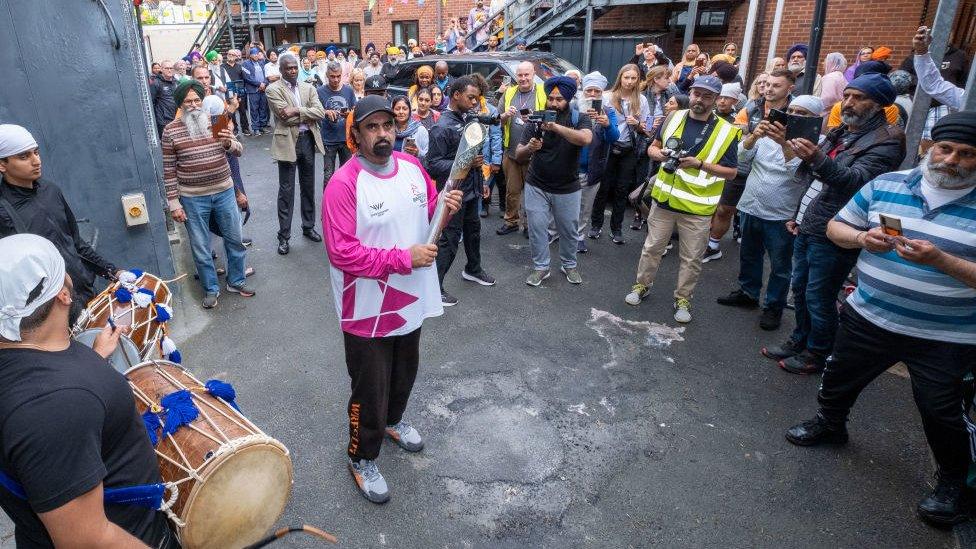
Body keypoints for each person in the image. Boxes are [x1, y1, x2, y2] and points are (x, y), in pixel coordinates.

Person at [784, 111, 976, 527]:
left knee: (940, 410)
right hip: (870, 316)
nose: (952, 160)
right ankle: (830, 425)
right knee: (838, 377)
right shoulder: (887, 185)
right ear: (929, 148)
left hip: (946, 335)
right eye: (945, 149)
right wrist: (861, 239)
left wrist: (941, 260)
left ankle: (951, 484)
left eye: (967, 154)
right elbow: (836, 228)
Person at [322, 95, 462, 504]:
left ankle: (394, 421)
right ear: (356, 136)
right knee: (370, 387)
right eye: (372, 127)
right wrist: (404, 258)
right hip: (365, 308)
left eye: (387, 126)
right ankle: (361, 456)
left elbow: (429, 218)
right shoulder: (343, 184)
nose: (383, 134)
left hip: (410, 298)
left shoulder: (414, 168)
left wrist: (447, 211)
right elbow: (342, 252)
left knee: (404, 372)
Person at [0, 234, 179, 548]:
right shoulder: (55, 407)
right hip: (135, 536)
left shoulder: (29, 366)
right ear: (64, 294)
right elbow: (87, 540)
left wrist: (94, 359)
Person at [762, 73, 905, 373]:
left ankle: (818, 353)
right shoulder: (842, 131)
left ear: (878, 104)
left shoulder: (887, 140)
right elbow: (812, 178)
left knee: (819, 295)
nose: (849, 102)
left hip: (839, 229)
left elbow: (854, 182)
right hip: (811, 221)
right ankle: (800, 339)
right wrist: (798, 214)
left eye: (858, 97)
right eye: (847, 95)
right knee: (799, 289)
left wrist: (817, 158)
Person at [623, 75, 740, 323]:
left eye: (707, 96)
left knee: (692, 258)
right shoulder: (673, 117)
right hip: (664, 201)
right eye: (697, 93)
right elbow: (651, 148)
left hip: (698, 207)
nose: (699, 99)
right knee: (652, 248)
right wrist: (662, 155)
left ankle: (683, 298)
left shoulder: (727, 131)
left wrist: (699, 164)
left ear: (716, 100)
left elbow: (731, 172)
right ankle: (641, 286)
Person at [717, 95, 823, 330]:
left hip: (781, 214)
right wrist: (754, 136)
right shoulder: (767, 136)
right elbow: (741, 158)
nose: (795, 116)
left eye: (802, 114)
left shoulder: (816, 143)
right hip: (751, 205)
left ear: (816, 119)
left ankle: (773, 306)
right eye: (792, 111)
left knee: (780, 265)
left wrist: (784, 142)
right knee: (749, 254)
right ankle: (748, 292)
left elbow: (797, 174)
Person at [0, 125, 120, 322]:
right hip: (53, 312)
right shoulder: (3, 211)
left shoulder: (51, 190)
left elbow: (76, 243)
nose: (36, 161)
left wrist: (113, 271)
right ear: (2, 165)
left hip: (86, 291)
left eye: (36, 153)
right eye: (24, 157)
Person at [162, 80, 253, 308]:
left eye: (196, 100)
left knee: (235, 240)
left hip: (223, 191)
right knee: (201, 247)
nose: (193, 105)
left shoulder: (216, 121)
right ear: (180, 105)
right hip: (192, 197)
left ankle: (236, 281)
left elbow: (238, 151)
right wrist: (174, 203)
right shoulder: (170, 131)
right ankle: (211, 289)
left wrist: (228, 144)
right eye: (188, 101)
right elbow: (169, 170)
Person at [705, 69, 796, 263]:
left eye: (776, 85)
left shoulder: (796, 111)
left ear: (790, 88)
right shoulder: (753, 106)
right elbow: (737, 133)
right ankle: (713, 245)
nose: (769, 89)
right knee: (724, 208)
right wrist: (752, 135)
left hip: (775, 172)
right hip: (744, 164)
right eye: (768, 84)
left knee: (766, 225)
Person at [427, 76, 496, 306]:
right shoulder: (441, 126)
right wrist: (467, 162)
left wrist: (481, 181)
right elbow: (434, 165)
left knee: (474, 233)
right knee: (449, 240)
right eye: (471, 97)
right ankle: (433, 288)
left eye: (476, 98)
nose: (475, 102)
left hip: (471, 191)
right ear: (456, 95)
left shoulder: (467, 118)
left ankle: (473, 269)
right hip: (453, 195)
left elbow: (474, 158)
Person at [517, 76, 593, 286]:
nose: (553, 103)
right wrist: (529, 148)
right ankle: (541, 267)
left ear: (568, 99)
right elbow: (519, 153)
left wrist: (556, 127)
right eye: (551, 98)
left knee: (569, 229)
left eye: (559, 99)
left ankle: (569, 264)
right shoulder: (536, 120)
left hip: (568, 187)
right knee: (537, 227)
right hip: (537, 184)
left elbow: (585, 139)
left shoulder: (580, 118)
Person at [266, 53, 327, 256]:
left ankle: (308, 227)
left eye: (294, 67)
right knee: (286, 191)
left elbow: (320, 112)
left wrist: (297, 110)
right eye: (288, 68)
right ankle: (283, 236)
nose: (292, 71)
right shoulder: (272, 89)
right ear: (281, 70)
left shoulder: (308, 87)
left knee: (308, 187)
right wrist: (305, 112)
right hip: (287, 142)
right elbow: (285, 117)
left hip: (308, 140)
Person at [588, 64, 650, 245]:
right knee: (603, 187)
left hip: (628, 148)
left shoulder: (642, 100)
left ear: (638, 80)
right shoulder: (607, 97)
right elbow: (595, 119)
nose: (630, 82)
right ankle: (596, 225)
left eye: (633, 78)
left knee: (622, 190)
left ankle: (617, 228)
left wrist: (637, 124)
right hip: (608, 146)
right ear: (620, 78)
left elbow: (645, 128)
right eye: (626, 77)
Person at [496, 61, 547, 236]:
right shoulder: (509, 92)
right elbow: (498, 120)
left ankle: (528, 225)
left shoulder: (543, 91)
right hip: (511, 151)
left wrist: (535, 119)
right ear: (515, 76)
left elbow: (551, 120)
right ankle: (511, 221)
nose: (523, 78)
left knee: (533, 193)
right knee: (512, 191)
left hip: (534, 152)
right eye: (520, 75)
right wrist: (505, 115)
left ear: (533, 75)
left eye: (527, 74)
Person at [576, 72, 618, 255]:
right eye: (589, 90)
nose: (592, 94)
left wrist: (608, 124)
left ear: (602, 93)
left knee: (585, 207)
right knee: (561, 203)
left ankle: (578, 237)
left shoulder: (608, 112)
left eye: (596, 91)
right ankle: (555, 232)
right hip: (569, 167)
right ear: (583, 92)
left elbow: (614, 137)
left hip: (592, 169)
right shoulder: (573, 108)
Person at [318, 61, 357, 191]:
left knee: (346, 174)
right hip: (328, 139)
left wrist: (349, 114)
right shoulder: (320, 91)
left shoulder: (348, 90)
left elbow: (355, 110)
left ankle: (344, 199)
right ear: (327, 76)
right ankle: (328, 202)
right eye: (332, 76)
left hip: (345, 138)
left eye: (338, 76)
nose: (335, 79)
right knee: (328, 174)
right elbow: (314, 111)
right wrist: (325, 112)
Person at [242, 47, 270, 135]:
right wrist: (259, 84)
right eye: (254, 54)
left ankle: (263, 126)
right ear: (250, 55)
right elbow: (247, 77)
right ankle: (256, 128)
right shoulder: (245, 64)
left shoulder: (261, 63)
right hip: (253, 90)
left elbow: (267, 75)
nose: (256, 56)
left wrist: (264, 83)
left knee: (263, 108)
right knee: (254, 109)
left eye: (257, 54)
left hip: (263, 89)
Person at [150, 60, 179, 136]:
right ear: (161, 69)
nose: (169, 70)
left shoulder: (176, 82)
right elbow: (151, 102)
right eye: (167, 68)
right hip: (163, 121)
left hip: (176, 118)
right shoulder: (156, 83)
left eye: (171, 68)